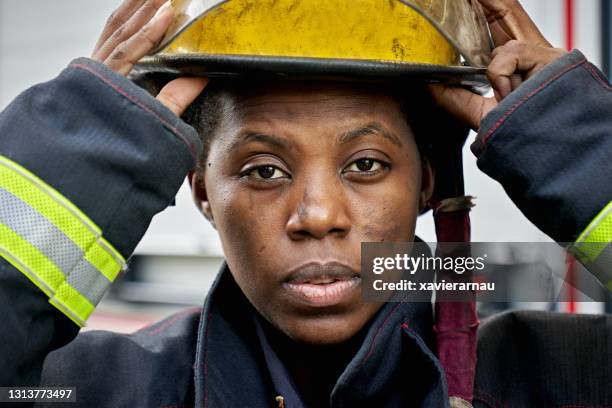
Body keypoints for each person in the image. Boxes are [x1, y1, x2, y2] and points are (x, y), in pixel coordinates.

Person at [0, 0, 610, 407]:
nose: (318, 216)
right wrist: (81, 145)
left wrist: (577, 149)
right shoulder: (90, 389)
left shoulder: (562, 376)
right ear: (201, 190)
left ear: (425, 184)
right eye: (264, 170)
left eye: (365, 164)